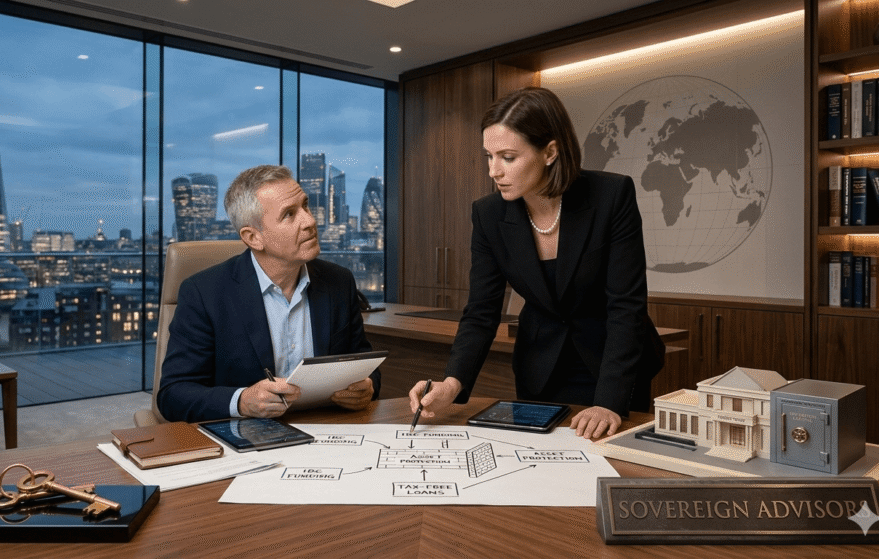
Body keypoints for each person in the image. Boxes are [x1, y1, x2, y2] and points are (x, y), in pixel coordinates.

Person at [409, 87, 663, 439]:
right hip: (541, 367)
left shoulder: (610, 196)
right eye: (489, 156)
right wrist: (453, 383)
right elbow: (481, 310)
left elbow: (626, 306)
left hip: (614, 367)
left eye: (508, 157)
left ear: (550, 152)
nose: (494, 171)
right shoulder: (488, 214)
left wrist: (609, 402)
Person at [158, 164, 380, 422]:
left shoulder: (338, 282)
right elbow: (173, 395)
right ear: (253, 237)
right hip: (244, 439)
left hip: (325, 432)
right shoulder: (204, 294)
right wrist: (241, 402)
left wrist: (368, 386)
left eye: (305, 206)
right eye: (289, 214)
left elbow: (365, 364)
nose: (309, 221)